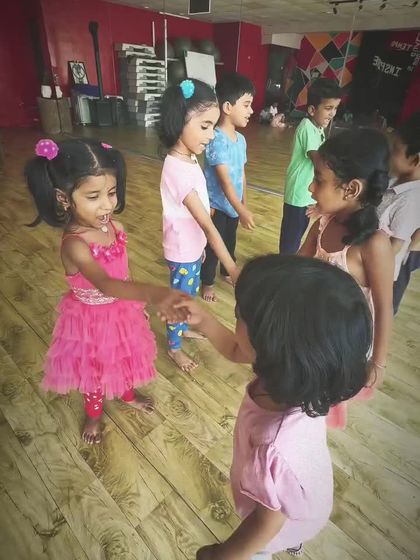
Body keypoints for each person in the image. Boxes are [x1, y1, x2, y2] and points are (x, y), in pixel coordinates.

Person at [174, 255, 372, 560]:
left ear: (271, 348)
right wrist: (203, 320)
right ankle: (295, 540)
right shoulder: (300, 378)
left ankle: (288, 541)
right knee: (289, 521)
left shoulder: (273, 445)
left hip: (278, 523)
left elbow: (266, 523)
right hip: (304, 496)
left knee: (264, 546)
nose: (235, 314)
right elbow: (236, 349)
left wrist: (221, 554)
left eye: (239, 314)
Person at [25, 138, 188, 445]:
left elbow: (122, 273)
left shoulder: (114, 227)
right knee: (95, 370)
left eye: (111, 192)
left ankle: (126, 393)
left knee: (124, 356)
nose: (107, 205)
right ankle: (94, 413)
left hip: (122, 310)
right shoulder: (75, 244)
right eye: (93, 196)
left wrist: (137, 302)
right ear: (63, 198)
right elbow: (106, 284)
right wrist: (155, 294)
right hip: (90, 320)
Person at [299, 128, 394, 428]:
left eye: (319, 180)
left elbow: (384, 306)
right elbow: (297, 266)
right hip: (313, 327)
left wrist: (377, 362)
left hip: (341, 344)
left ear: (351, 189)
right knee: (303, 385)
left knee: (322, 396)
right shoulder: (324, 221)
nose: (311, 187)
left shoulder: (374, 245)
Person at [158, 79, 240, 373]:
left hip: (192, 248)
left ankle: (182, 330)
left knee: (189, 294)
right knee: (181, 301)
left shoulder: (189, 158)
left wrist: (202, 248)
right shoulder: (176, 168)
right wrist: (231, 267)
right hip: (182, 252)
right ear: (179, 121)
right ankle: (174, 347)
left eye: (213, 126)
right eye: (205, 126)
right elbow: (207, 224)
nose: (211, 134)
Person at [200, 72, 255, 302]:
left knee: (230, 241)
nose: (251, 110)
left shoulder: (240, 140)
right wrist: (240, 209)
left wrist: (243, 205)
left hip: (233, 206)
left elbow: (241, 174)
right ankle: (207, 282)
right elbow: (224, 181)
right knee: (214, 245)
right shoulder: (216, 139)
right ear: (228, 107)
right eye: (247, 105)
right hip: (217, 207)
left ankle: (226, 271)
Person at [279, 78, 342, 254]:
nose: (332, 113)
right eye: (328, 108)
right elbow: (318, 161)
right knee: (291, 238)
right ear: (312, 109)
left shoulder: (318, 128)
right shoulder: (307, 127)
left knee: (297, 234)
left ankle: (288, 262)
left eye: (335, 108)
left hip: (307, 194)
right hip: (298, 194)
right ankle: (284, 265)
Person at [377, 112, 420, 313]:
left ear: (415, 160)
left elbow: (395, 247)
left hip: (380, 275)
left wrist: (364, 263)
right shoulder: (394, 181)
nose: (390, 154)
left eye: (395, 150)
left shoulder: (411, 200)